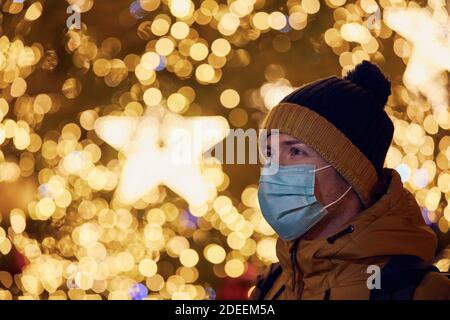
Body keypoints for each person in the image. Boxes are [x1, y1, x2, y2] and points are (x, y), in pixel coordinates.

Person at [250, 60, 450, 300]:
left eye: (295, 152)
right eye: (270, 154)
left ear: (350, 172)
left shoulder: (419, 293)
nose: (274, 170)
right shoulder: (273, 284)